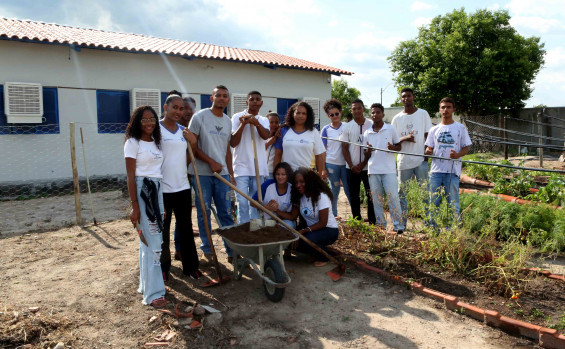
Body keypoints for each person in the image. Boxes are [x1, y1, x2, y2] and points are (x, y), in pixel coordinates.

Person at [124, 105, 167, 306]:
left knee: (146, 242)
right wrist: (135, 206)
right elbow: (131, 176)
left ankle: (146, 287)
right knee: (154, 243)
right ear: (137, 122)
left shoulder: (157, 142)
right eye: (144, 119)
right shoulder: (133, 143)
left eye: (152, 119)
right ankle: (154, 294)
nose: (149, 123)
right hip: (143, 191)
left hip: (157, 190)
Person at [188, 85, 235, 263]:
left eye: (225, 96)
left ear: (228, 100)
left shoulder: (227, 120)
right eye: (218, 95)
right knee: (204, 211)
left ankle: (231, 250)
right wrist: (210, 162)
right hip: (201, 174)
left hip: (221, 175)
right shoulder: (199, 117)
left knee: (225, 212)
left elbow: (227, 151)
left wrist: (230, 173)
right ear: (212, 98)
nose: (222, 98)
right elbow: (193, 146)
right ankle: (208, 250)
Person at [159, 92, 202, 280]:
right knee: (162, 231)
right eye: (174, 107)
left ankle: (190, 267)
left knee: (185, 229)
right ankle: (163, 268)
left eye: (181, 108)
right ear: (165, 107)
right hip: (162, 189)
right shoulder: (156, 130)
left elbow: (187, 158)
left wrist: (193, 144)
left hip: (182, 187)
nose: (178, 111)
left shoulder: (183, 131)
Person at [425, 97, 472, 227]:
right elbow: (429, 147)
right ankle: (434, 229)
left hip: (452, 171)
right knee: (433, 201)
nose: (446, 110)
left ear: (453, 110)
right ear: (439, 110)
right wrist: (428, 151)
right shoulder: (434, 129)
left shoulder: (460, 128)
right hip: (436, 171)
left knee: (452, 203)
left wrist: (457, 155)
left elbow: (466, 147)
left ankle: (453, 230)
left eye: (448, 107)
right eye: (443, 107)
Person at [391, 87, 433, 229]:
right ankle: (402, 224)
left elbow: (428, 135)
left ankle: (429, 223)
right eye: (403, 96)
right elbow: (393, 139)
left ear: (413, 97)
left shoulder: (423, 114)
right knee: (402, 193)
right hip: (403, 162)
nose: (406, 98)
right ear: (401, 99)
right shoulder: (397, 118)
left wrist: (427, 154)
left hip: (420, 160)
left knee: (425, 192)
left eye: (408, 96)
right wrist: (406, 137)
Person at [363, 103, 404, 234]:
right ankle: (381, 225)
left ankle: (398, 227)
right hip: (373, 170)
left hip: (389, 170)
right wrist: (368, 151)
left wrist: (392, 148)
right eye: (373, 112)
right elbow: (366, 153)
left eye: (378, 112)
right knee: (377, 200)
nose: (375, 115)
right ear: (370, 115)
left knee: (393, 198)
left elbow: (399, 146)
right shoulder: (367, 132)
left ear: (383, 114)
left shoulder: (390, 129)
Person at [230, 91, 270, 224]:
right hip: (241, 166)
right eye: (251, 99)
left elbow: (266, 136)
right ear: (247, 102)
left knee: (256, 201)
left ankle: (254, 228)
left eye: (257, 99)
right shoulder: (237, 117)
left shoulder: (264, 120)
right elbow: (233, 142)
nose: (254, 101)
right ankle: (244, 228)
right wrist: (244, 123)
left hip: (259, 168)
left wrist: (256, 123)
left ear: (261, 103)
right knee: (242, 201)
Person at [288, 167, 339, 266]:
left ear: (310, 181)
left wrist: (303, 231)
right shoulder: (300, 197)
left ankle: (326, 257)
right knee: (291, 239)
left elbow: (323, 223)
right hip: (313, 230)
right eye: (296, 182)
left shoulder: (321, 196)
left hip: (328, 230)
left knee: (307, 240)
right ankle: (317, 252)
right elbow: (292, 216)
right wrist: (275, 210)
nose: (298, 185)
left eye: (302, 182)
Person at [339, 99, 376, 224]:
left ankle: (372, 220)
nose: (357, 111)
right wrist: (351, 165)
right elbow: (344, 148)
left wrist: (363, 163)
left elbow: (372, 147)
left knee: (370, 195)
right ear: (351, 110)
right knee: (354, 196)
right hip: (352, 168)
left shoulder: (371, 124)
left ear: (363, 109)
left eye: (359, 108)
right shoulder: (347, 127)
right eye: (354, 109)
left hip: (368, 167)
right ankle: (357, 220)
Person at [273, 102, 327, 180]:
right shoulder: (284, 130)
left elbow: (319, 155)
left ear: (307, 116)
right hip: (286, 176)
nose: (300, 116)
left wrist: (319, 176)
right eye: (298, 113)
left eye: (304, 113)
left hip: (305, 176)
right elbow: (278, 155)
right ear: (292, 114)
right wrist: (276, 175)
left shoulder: (313, 132)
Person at [173, 94, 196, 261]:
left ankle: (185, 249)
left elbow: (191, 153)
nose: (187, 111)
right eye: (184, 108)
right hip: (174, 177)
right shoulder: (173, 128)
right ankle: (178, 248)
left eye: (190, 108)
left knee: (186, 215)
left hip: (189, 174)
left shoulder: (191, 128)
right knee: (176, 215)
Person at [321, 98, 349, 217]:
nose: (334, 116)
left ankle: (356, 216)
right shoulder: (326, 130)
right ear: (328, 116)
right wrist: (323, 168)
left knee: (348, 190)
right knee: (334, 189)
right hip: (331, 164)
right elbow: (322, 150)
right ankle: (333, 215)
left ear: (340, 113)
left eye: (336, 114)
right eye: (331, 115)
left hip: (346, 164)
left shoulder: (347, 127)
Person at [252, 162, 296, 228]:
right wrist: (267, 207)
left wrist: (276, 210)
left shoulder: (292, 189)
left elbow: (292, 217)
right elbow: (252, 202)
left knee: (285, 228)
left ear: (288, 175)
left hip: (284, 221)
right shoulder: (268, 184)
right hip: (267, 221)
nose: (280, 177)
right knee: (253, 227)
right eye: (277, 174)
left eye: (283, 174)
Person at [265, 112, 282, 179]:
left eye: (276, 122)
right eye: (271, 122)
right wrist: (269, 142)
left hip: (272, 172)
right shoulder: (262, 136)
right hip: (261, 172)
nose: (274, 125)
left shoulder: (280, 137)